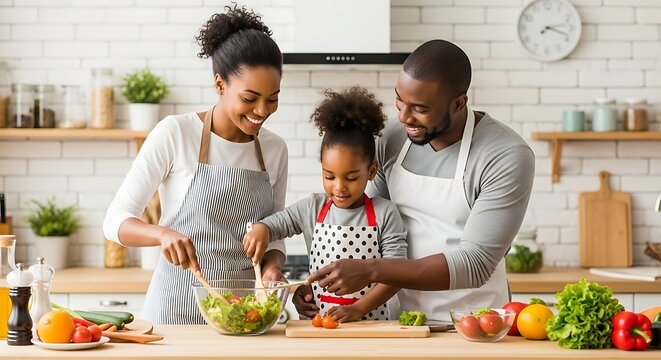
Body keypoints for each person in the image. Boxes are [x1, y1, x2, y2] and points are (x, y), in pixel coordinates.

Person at [304, 40, 535, 322]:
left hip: (475, 322)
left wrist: (373, 270)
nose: (404, 117)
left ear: (459, 103)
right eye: (399, 101)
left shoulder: (505, 154)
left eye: (420, 108)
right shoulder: (391, 136)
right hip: (400, 321)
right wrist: (318, 290)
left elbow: (475, 264)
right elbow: (367, 223)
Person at [102, 5, 289, 324]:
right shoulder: (175, 133)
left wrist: (272, 270)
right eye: (250, 98)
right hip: (174, 311)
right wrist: (162, 234)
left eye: (272, 98)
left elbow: (274, 234)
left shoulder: (274, 149)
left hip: (241, 316)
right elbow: (115, 221)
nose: (262, 110)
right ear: (220, 85)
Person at [243, 87, 407, 322]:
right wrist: (262, 230)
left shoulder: (385, 212)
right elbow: (276, 224)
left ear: (371, 171)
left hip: (372, 327)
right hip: (320, 325)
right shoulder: (312, 207)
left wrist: (357, 309)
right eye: (329, 176)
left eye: (351, 178)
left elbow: (396, 274)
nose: (339, 187)